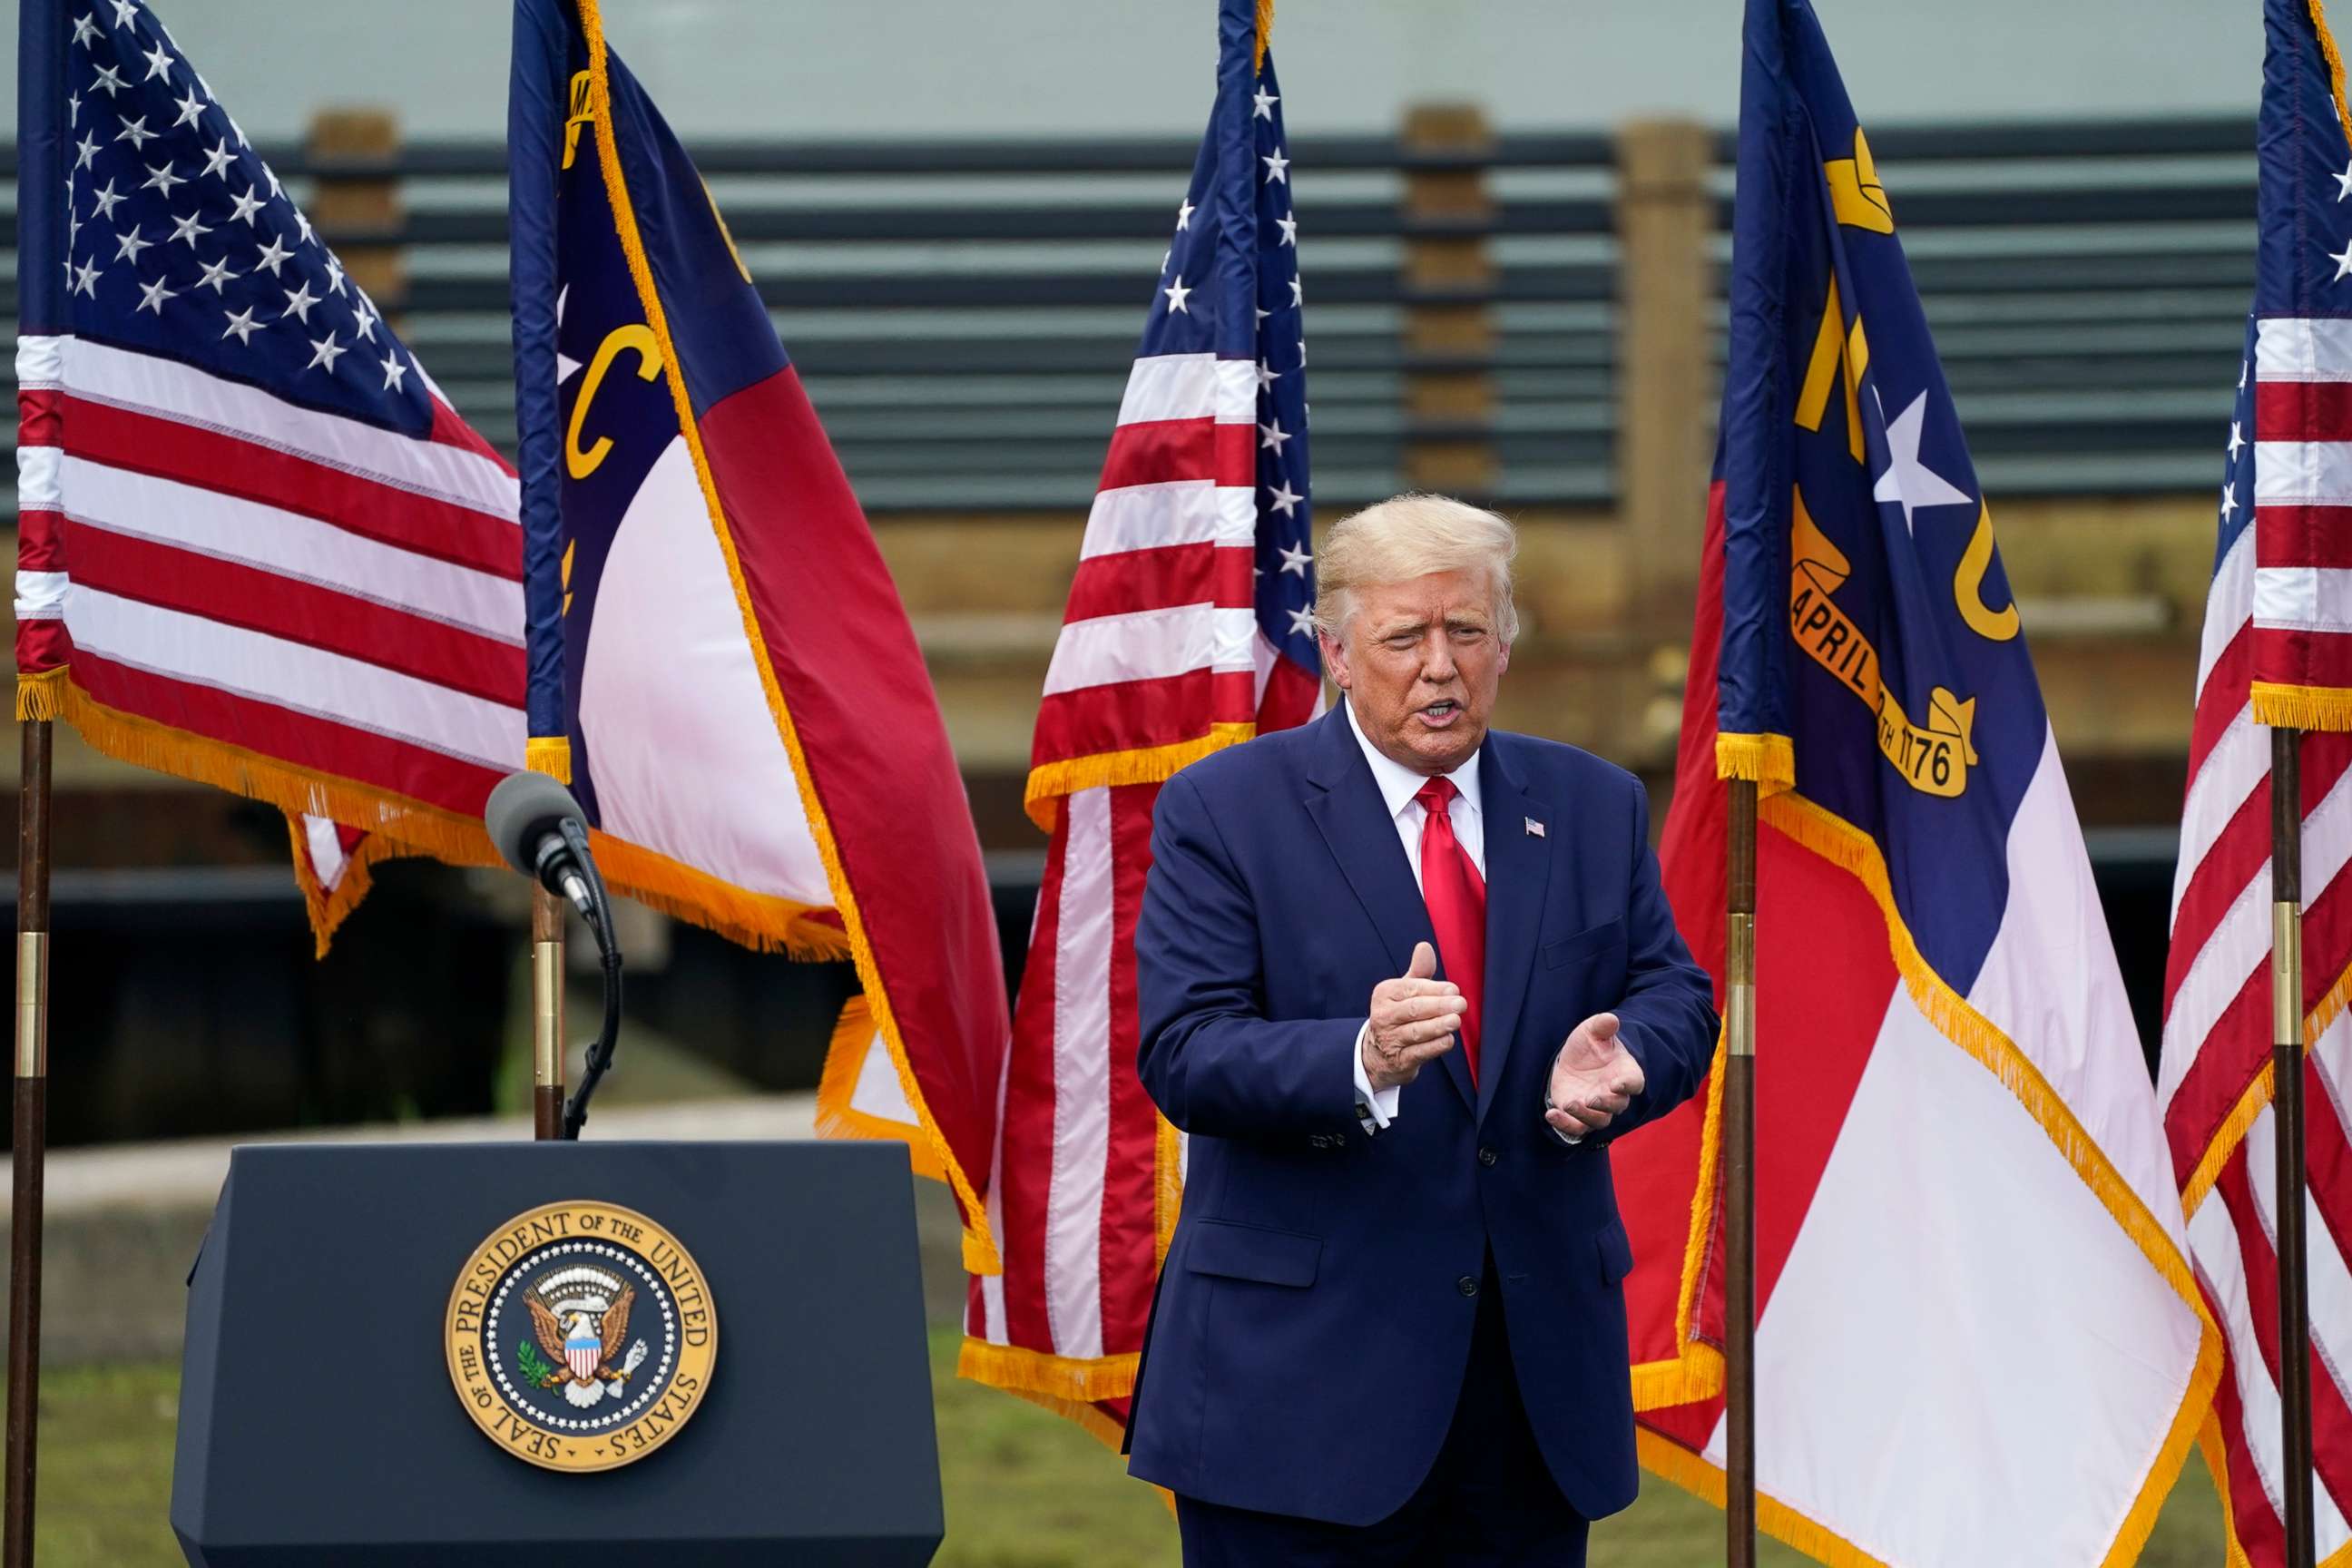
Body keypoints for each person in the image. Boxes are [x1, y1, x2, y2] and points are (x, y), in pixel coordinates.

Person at [1125, 494, 1719, 1565]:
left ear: (1505, 645)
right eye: (1405, 637)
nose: (1439, 666)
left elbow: (1675, 992)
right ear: (1340, 654)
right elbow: (1185, 1051)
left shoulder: (1591, 803)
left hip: (1530, 1399)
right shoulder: (1225, 810)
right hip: (1298, 1397)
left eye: (1467, 633)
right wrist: (1359, 1057)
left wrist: (1630, 1054)